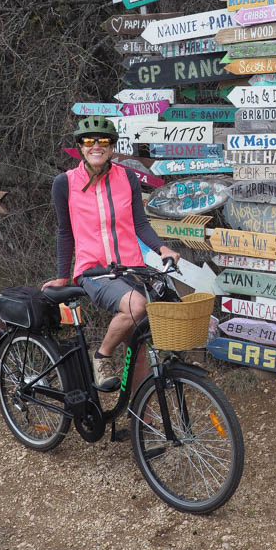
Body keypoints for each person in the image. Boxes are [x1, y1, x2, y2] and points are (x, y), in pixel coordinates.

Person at [42, 116, 180, 391]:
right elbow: (65, 232)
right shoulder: (65, 182)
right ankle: (102, 356)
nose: (96, 146)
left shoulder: (126, 177)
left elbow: (140, 223)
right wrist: (62, 277)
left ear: (112, 147)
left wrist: (162, 248)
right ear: (80, 146)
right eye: (88, 141)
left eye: (103, 141)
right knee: (136, 306)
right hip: (94, 271)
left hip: (131, 269)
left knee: (138, 348)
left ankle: (141, 421)